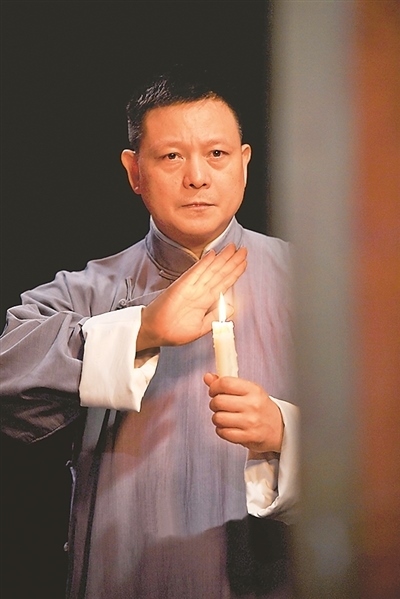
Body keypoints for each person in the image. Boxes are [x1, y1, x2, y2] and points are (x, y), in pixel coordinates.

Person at [0, 66, 299, 599]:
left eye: (217, 153)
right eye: (171, 157)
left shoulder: (316, 284)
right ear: (134, 171)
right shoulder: (89, 289)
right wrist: (144, 327)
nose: (197, 177)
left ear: (244, 163)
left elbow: (378, 437)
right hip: (124, 574)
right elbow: (9, 375)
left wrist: (284, 433)